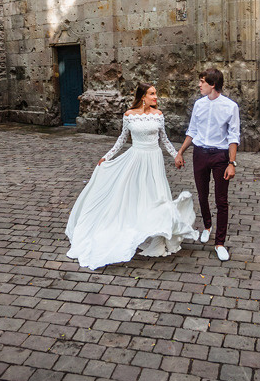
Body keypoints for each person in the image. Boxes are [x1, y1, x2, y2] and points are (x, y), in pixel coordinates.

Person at [65, 83, 198, 270]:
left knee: (157, 196)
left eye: (156, 93)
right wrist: (107, 157)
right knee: (136, 196)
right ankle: (136, 228)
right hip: (136, 158)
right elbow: (121, 140)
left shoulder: (158, 115)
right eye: (152, 94)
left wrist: (176, 155)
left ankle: (158, 236)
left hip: (154, 159)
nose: (156, 97)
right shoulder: (128, 115)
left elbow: (164, 139)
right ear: (143, 96)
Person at [174, 68, 240, 261]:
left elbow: (233, 136)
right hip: (200, 154)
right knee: (202, 195)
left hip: (220, 156)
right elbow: (192, 130)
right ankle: (207, 226)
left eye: (202, 81)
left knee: (222, 200)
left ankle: (219, 243)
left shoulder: (230, 106)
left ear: (213, 84)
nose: (199, 85)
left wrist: (231, 163)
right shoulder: (198, 105)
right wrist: (180, 152)